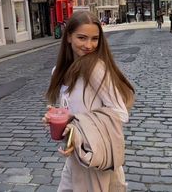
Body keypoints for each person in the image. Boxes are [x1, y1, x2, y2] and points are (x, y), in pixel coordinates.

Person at [44, 11, 135, 192]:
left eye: (95, 39)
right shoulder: (58, 72)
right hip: (76, 158)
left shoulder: (95, 68)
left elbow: (120, 113)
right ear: (68, 37)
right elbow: (76, 114)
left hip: (95, 159)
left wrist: (78, 129)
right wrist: (58, 118)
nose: (89, 45)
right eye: (82, 38)